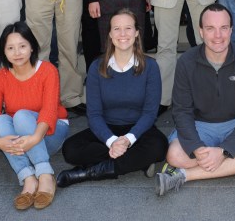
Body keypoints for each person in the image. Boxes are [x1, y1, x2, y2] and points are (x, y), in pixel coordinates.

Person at [154, 4, 235, 196]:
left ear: (231, 30)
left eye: (223, 28)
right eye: (210, 28)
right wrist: (196, 146)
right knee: (174, 154)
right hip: (201, 125)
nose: (218, 35)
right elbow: (182, 111)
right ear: (200, 31)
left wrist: (225, 151)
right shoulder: (186, 61)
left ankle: (183, 175)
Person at [57, 10, 167, 187]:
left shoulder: (150, 67)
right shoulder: (97, 67)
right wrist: (112, 141)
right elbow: (93, 114)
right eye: (117, 29)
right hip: (106, 128)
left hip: (139, 130)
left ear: (137, 33)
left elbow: (149, 114)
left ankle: (88, 172)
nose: (122, 34)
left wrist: (128, 139)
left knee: (160, 147)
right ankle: (135, 160)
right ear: (110, 34)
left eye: (128, 28)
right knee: (70, 149)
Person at [0, 22, 69, 211]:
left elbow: (49, 111)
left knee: (20, 116)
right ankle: (28, 177)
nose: (17, 53)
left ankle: (45, 174)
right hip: (21, 141)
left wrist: (35, 137)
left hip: (49, 133)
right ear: (4, 52)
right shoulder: (0, 77)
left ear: (32, 47)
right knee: (0, 120)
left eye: (22, 46)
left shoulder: (47, 70)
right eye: (10, 48)